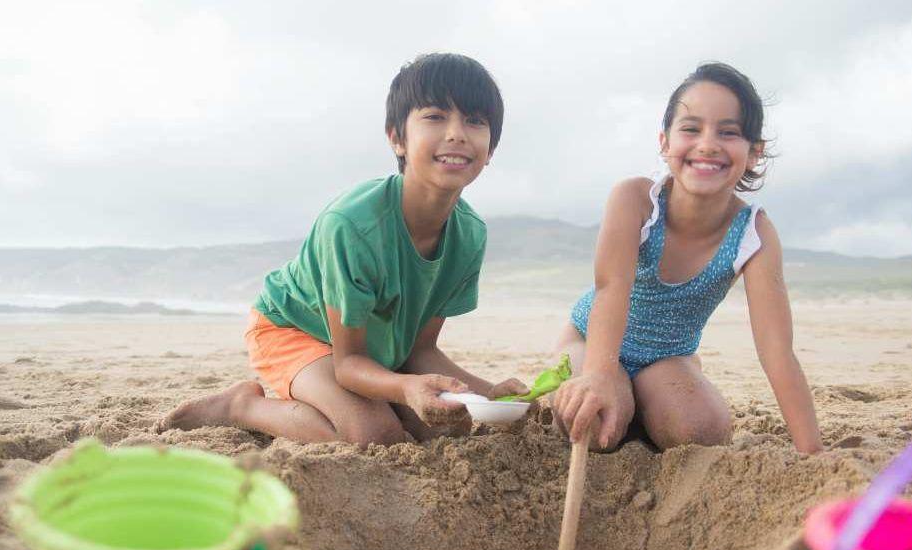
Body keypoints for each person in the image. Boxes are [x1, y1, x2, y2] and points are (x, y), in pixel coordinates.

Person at [161, 52, 527, 445]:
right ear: (396, 138)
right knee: (375, 434)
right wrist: (405, 389)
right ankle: (241, 407)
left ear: (490, 151)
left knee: (436, 427)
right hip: (293, 330)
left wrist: (490, 394)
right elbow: (349, 364)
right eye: (435, 116)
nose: (456, 132)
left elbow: (420, 350)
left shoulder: (469, 235)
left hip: (367, 351)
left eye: (475, 120)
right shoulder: (353, 226)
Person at [552, 62, 822, 454]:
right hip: (592, 341)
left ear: (754, 153)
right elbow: (611, 288)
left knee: (702, 431)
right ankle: (618, 396)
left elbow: (776, 350)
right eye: (691, 129)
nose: (708, 144)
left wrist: (811, 452)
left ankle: (644, 399)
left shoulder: (754, 234)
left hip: (665, 359)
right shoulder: (635, 200)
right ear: (665, 143)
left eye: (728, 132)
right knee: (594, 426)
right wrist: (598, 374)